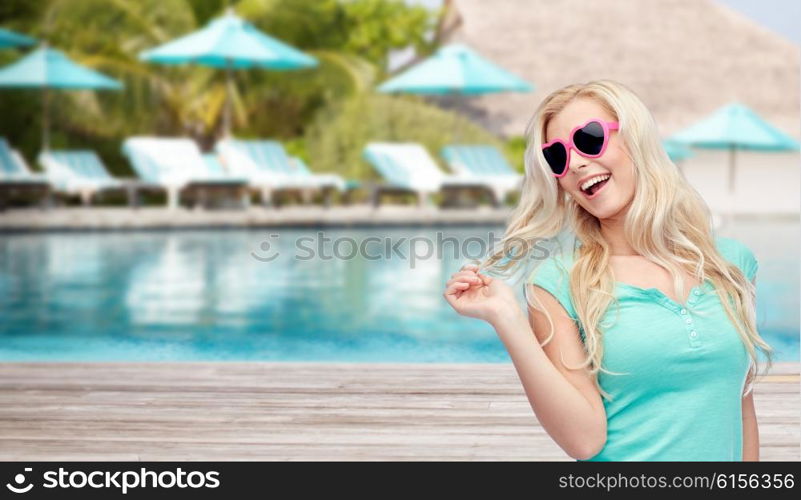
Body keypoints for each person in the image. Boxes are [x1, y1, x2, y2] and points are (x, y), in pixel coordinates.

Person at [443, 80, 774, 461]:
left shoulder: (730, 265)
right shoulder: (558, 284)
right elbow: (584, 441)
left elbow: (739, 405)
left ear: (636, 139)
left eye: (589, 138)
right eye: (557, 156)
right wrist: (507, 319)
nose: (577, 162)